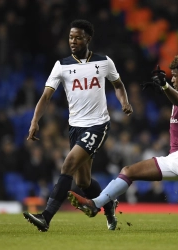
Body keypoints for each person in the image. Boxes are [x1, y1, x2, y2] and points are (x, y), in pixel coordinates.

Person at [67, 54, 178, 222]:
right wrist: (164, 89)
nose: (172, 79)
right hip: (174, 157)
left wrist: (166, 86)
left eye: (175, 76)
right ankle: (95, 204)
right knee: (128, 171)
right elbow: (177, 97)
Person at [23, 19, 133, 232]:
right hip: (75, 127)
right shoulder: (62, 65)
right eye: (71, 37)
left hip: (98, 125)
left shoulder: (104, 62)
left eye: (78, 37)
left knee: (67, 165)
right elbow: (46, 96)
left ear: (88, 39)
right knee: (83, 182)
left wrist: (124, 101)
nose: (73, 41)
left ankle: (45, 217)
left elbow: (118, 85)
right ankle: (109, 208)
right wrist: (34, 120)